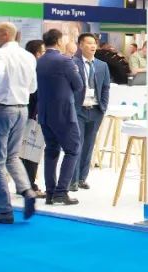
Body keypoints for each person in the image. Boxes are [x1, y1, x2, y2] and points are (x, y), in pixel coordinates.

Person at [0, 22, 39, 224]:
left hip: (3, 109)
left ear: (5, 34)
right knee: (13, 156)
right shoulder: (28, 56)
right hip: (22, 109)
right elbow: (33, 88)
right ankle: (27, 190)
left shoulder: (0, 54)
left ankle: (4, 211)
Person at [36, 28, 83, 205]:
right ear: (58, 41)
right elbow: (78, 85)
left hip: (45, 113)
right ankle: (61, 191)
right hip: (63, 113)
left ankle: (50, 192)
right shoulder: (65, 61)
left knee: (51, 150)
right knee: (73, 149)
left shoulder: (40, 61)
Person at [70, 32, 110, 192]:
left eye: (94, 43)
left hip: (95, 110)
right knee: (76, 144)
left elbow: (106, 87)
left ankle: (82, 178)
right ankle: (72, 180)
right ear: (80, 45)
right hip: (78, 110)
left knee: (88, 145)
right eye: (88, 43)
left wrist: (103, 106)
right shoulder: (72, 63)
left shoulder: (102, 65)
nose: (93, 46)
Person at [21, 40, 45, 192]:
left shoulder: (24, 67)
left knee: (25, 150)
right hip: (31, 114)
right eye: (43, 52)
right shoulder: (35, 70)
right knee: (30, 150)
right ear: (37, 54)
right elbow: (35, 93)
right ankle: (28, 185)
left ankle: (25, 184)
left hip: (23, 113)